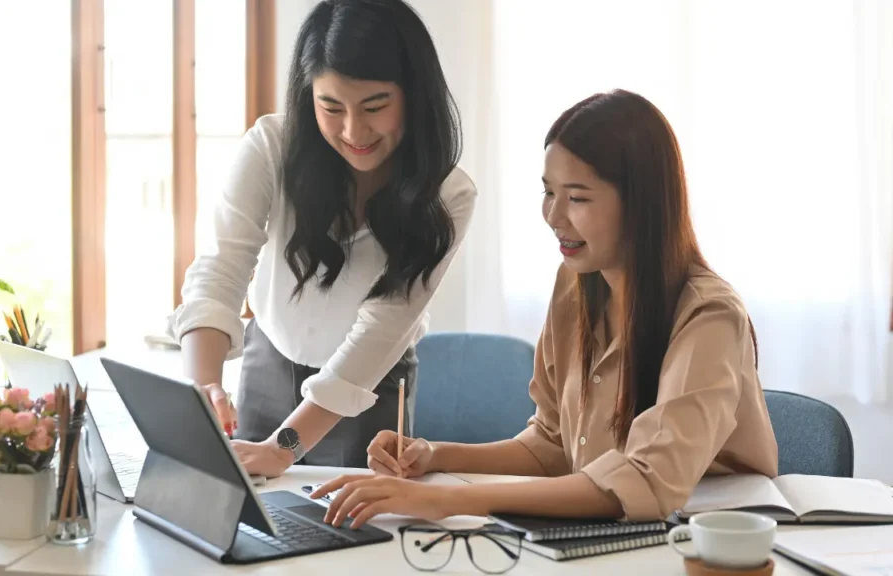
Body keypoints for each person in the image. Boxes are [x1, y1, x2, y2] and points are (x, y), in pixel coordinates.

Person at [310, 89, 779, 529]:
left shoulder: (709, 316)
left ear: (643, 204)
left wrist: (448, 501)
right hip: (610, 540)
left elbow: (648, 483)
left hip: (711, 546)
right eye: (548, 192)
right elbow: (554, 445)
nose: (553, 217)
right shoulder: (576, 285)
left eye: (576, 197)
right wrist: (434, 455)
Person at [166, 0, 476, 478]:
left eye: (375, 106)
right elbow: (221, 270)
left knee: (354, 531)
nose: (354, 131)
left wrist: (284, 447)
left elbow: (381, 332)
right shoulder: (272, 146)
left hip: (370, 383)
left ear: (414, 96)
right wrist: (201, 390)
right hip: (268, 358)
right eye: (331, 106)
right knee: (252, 516)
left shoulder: (447, 195)